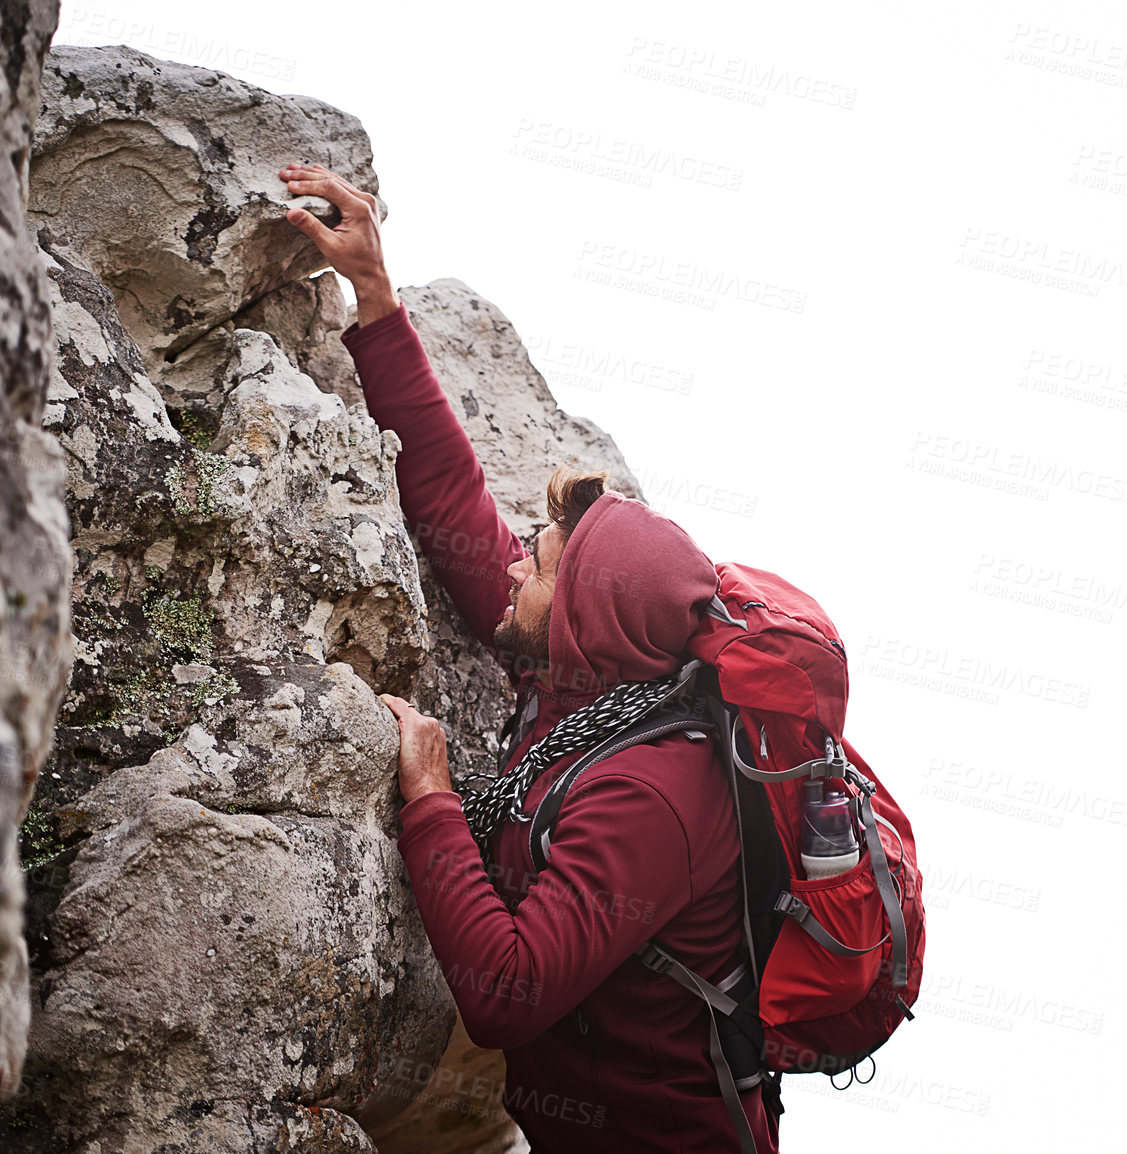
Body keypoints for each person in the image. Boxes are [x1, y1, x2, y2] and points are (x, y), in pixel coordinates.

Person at [279, 162, 779, 1153]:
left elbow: (505, 990)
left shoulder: (656, 794)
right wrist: (373, 300)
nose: (513, 565)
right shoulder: (586, 680)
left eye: (539, 560)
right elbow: (453, 501)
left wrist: (427, 793)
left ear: (590, 613)